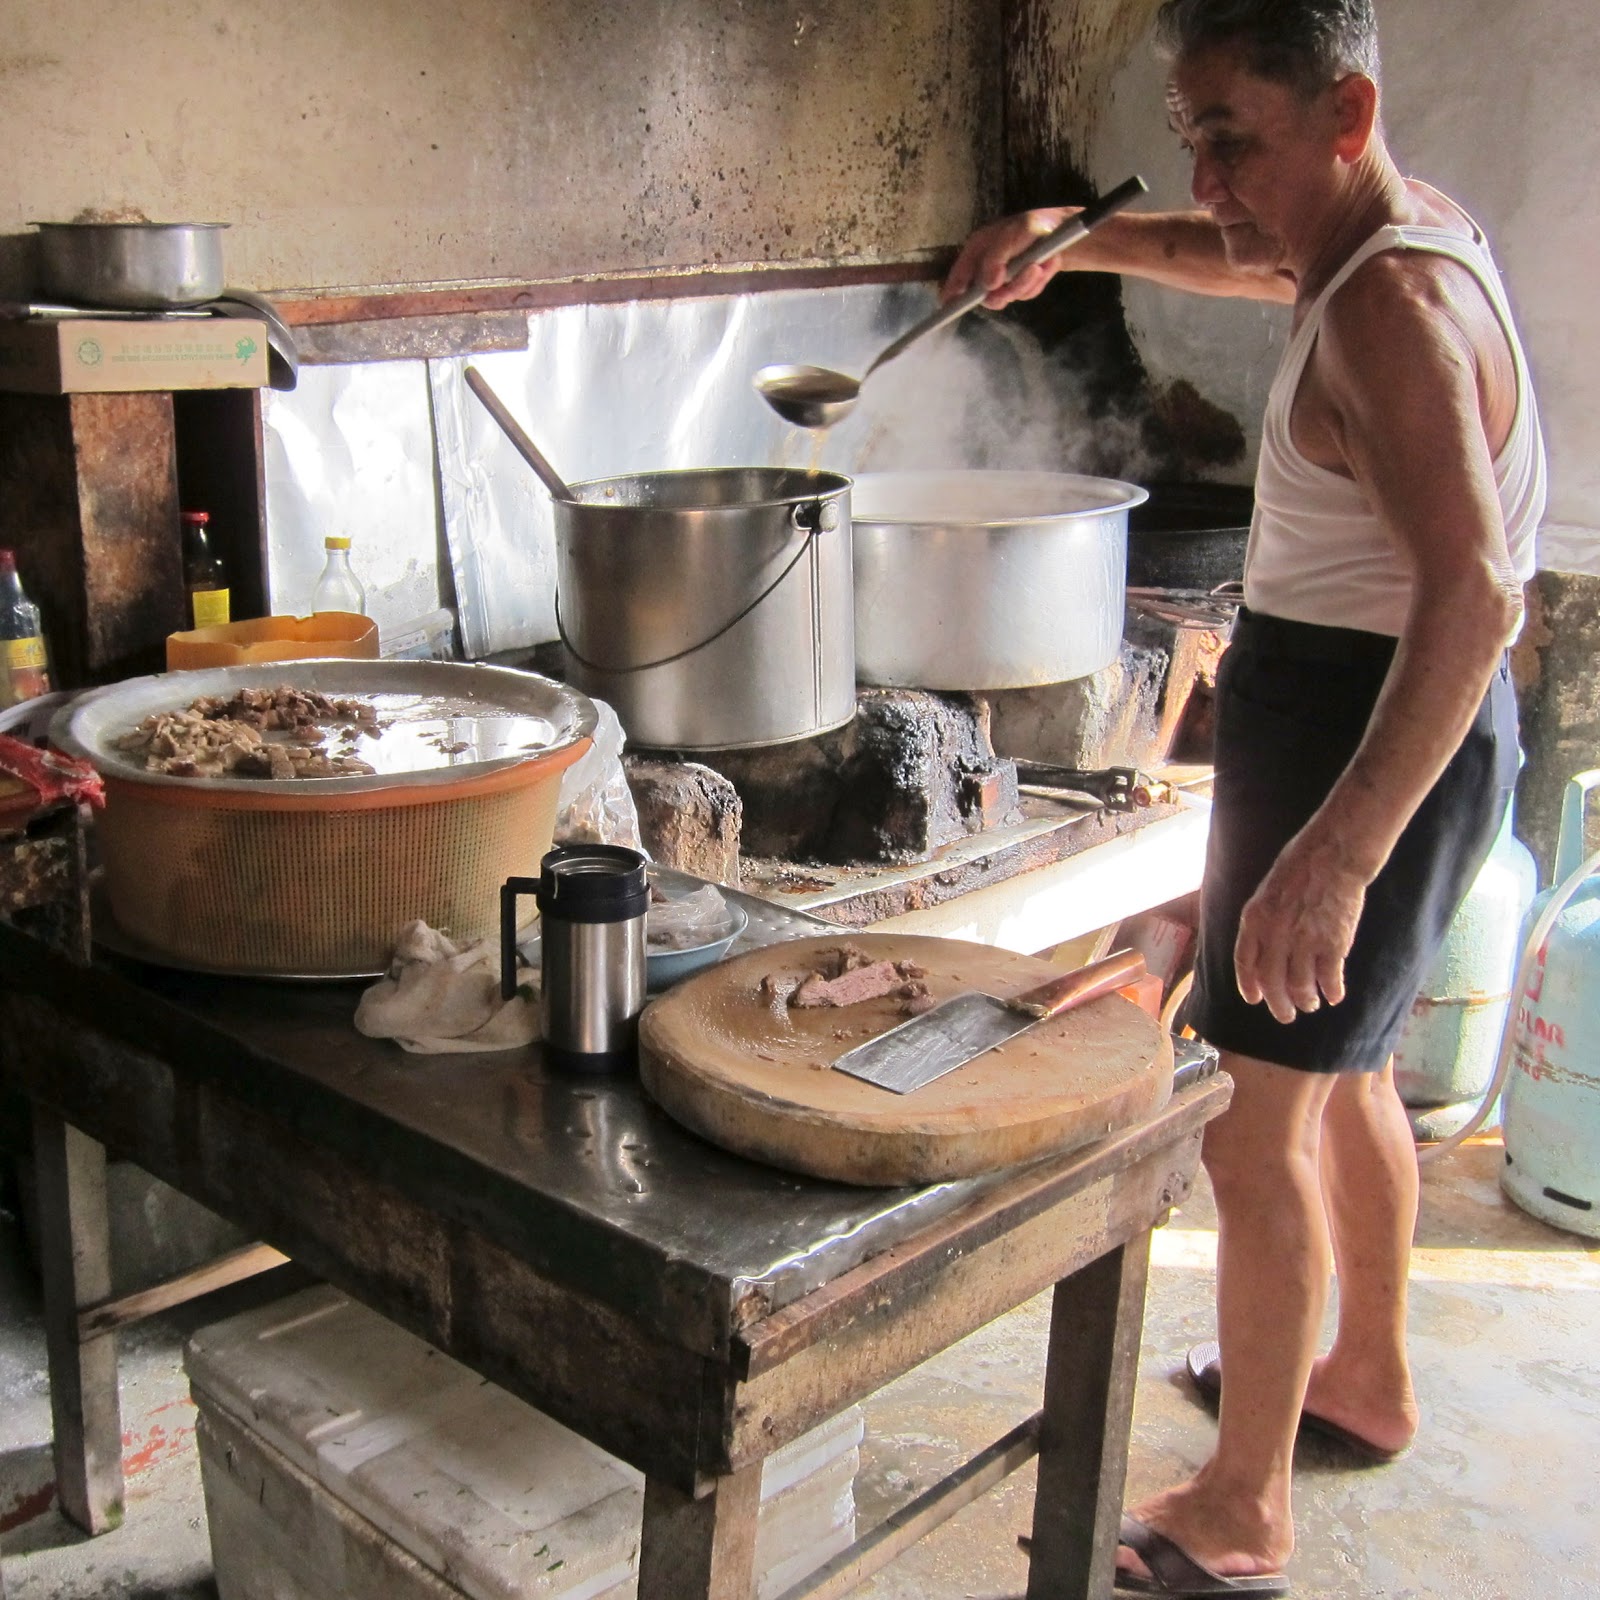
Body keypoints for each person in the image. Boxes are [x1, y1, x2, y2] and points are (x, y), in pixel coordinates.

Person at [943, 2, 1545, 1595]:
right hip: (1365, 714)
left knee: (1250, 1123)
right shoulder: (1374, 232)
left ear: (1345, 111)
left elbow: (1477, 596)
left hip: (1374, 730)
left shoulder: (1391, 313)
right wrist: (1066, 246)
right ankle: (1367, 1379)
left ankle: (1244, 1510)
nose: (1204, 172)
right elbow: (1237, 257)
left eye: (1235, 137)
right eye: (1187, 125)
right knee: (1344, 1083)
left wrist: (1334, 859)